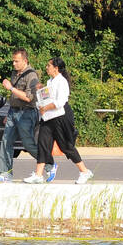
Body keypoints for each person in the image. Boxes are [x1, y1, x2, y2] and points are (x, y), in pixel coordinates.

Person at [26, 56, 93, 185]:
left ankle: (84, 171)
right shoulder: (50, 80)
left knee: (66, 146)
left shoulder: (61, 82)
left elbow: (60, 102)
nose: (46, 67)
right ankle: (39, 175)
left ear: (56, 68)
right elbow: (48, 97)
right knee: (42, 144)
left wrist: (45, 107)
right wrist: (41, 91)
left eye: (48, 66)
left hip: (61, 117)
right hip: (47, 117)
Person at [0, 49, 41, 182]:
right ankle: (5, 173)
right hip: (13, 111)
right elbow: (14, 96)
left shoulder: (32, 76)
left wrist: (10, 88)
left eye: (16, 61)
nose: (13, 63)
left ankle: (48, 163)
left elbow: (28, 98)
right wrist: (8, 113)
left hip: (26, 113)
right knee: (6, 141)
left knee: (28, 143)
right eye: (13, 61)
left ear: (25, 61)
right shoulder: (15, 73)